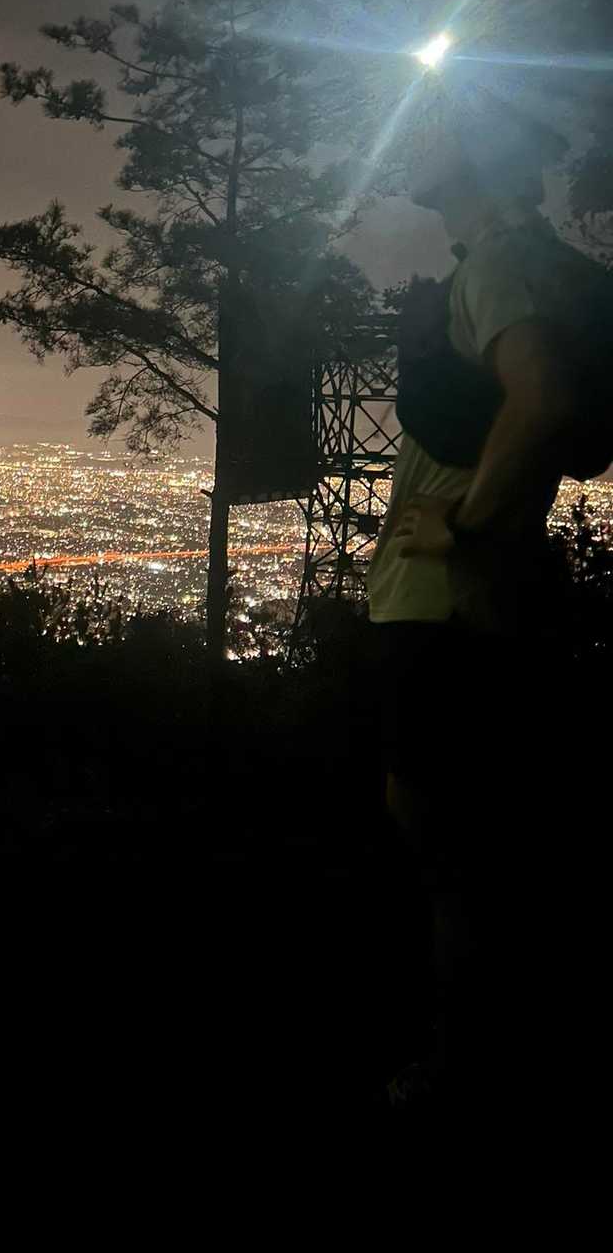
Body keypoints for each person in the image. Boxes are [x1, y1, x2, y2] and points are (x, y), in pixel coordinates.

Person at [366, 94, 610, 1128]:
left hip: (445, 609)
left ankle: (462, 1069)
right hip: (486, 603)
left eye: (437, 125)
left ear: (474, 153)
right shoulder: (541, 265)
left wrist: (463, 526)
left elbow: (546, 401)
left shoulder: (503, 261)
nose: (415, 138)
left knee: (450, 853)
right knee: (483, 842)